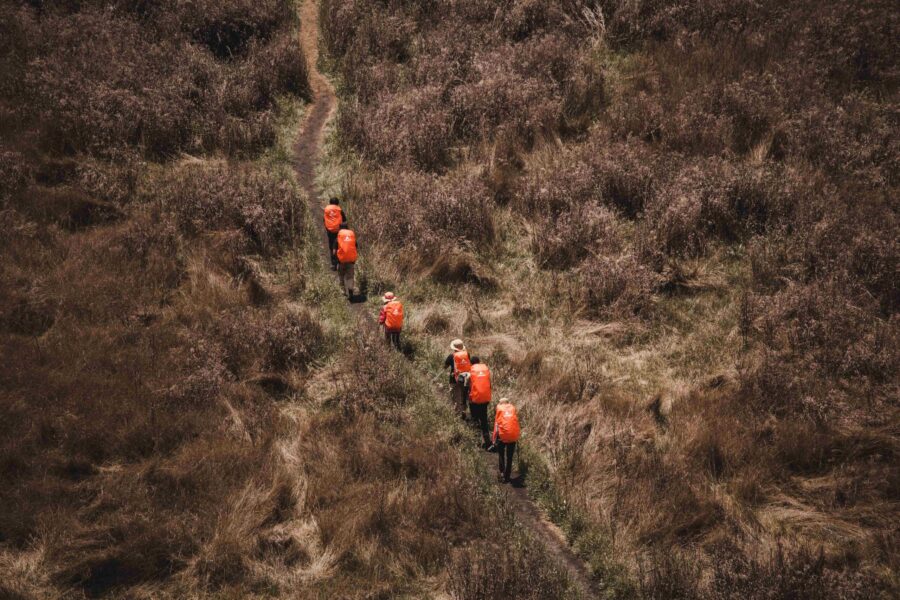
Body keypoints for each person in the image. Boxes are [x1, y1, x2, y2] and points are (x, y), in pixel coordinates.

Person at [492, 398, 521, 483]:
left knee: (501, 454)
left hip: (502, 436)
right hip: (512, 435)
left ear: (500, 404)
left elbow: (496, 426)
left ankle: (502, 472)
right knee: (510, 456)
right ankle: (507, 475)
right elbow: (515, 423)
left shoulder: (499, 409)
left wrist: (494, 439)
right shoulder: (512, 409)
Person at [468, 357, 492, 448]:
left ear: (471, 363)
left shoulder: (471, 373)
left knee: (474, 419)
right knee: (484, 420)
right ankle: (487, 442)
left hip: (474, 401)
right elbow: (489, 385)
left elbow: (467, 387)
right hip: (485, 400)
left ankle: (476, 441)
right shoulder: (485, 372)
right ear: (479, 362)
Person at [444, 339, 472, 417]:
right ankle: (464, 411)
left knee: (455, 397)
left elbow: (445, 367)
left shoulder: (451, 356)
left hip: (454, 379)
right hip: (465, 379)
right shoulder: (467, 354)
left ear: (454, 348)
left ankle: (457, 414)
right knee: (463, 396)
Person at [334, 223, 358, 301]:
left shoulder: (338, 237)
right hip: (351, 261)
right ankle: (350, 291)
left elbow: (334, 251)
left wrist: (335, 260)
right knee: (350, 277)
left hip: (341, 261)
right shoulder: (352, 236)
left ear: (340, 229)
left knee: (341, 276)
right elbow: (356, 247)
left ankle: (343, 292)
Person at [323, 198, 346, 271]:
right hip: (338, 230)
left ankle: (333, 264)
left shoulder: (326, 209)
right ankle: (341, 262)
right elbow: (345, 220)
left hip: (330, 230)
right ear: (337, 203)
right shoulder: (339, 210)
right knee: (339, 245)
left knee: (331, 245)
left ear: (330, 203)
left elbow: (324, 219)